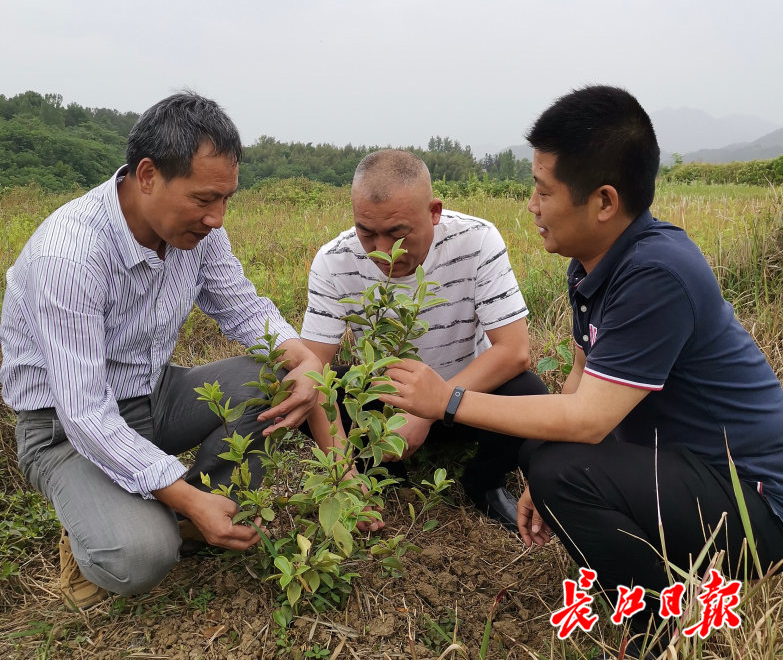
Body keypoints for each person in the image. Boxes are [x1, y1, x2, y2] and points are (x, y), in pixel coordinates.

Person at [375, 87, 783, 654]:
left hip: (754, 503)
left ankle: (657, 623)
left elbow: (588, 420)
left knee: (560, 462)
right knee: (544, 456)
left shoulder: (657, 274)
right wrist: (545, 479)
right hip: (688, 471)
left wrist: (447, 400)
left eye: (544, 190)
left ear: (605, 201)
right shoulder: (595, 265)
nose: (532, 205)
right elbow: (579, 382)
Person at [0, 92, 322, 608]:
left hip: (154, 394)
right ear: (147, 175)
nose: (216, 218)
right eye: (203, 200)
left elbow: (242, 306)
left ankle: (178, 515)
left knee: (271, 378)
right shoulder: (72, 253)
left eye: (225, 201)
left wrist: (301, 356)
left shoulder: (198, 232)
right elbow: (85, 412)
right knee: (142, 556)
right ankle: (118, 529)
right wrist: (188, 495)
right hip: (64, 429)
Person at [297, 149, 548, 528]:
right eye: (367, 232)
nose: (383, 251)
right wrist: (341, 476)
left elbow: (514, 352)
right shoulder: (334, 261)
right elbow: (315, 372)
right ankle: (377, 474)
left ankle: (484, 483)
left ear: (434, 212)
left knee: (528, 392)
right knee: (308, 391)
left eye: (398, 233)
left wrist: (429, 410)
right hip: (383, 403)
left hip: (465, 400)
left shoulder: (476, 240)